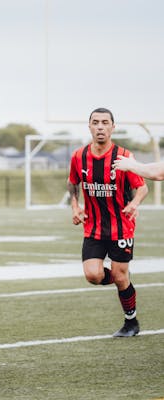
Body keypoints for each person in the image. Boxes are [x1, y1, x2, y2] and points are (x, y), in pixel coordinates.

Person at [67, 107, 148, 337]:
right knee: (92, 275)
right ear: (89, 126)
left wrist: (135, 203)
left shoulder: (123, 156)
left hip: (121, 227)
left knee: (120, 276)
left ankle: (131, 322)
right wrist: (75, 206)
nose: (100, 127)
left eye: (105, 122)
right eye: (95, 122)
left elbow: (142, 187)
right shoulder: (78, 156)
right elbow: (72, 182)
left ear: (113, 127)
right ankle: (122, 277)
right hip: (92, 226)